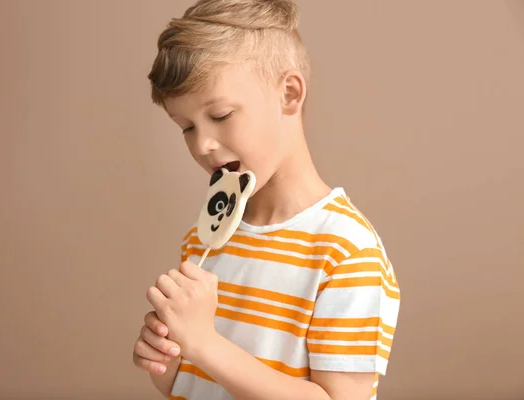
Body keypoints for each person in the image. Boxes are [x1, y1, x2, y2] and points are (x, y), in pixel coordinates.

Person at [133, 1, 401, 399]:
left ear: (289, 94)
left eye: (221, 115)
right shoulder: (203, 240)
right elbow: (195, 383)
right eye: (186, 127)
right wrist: (168, 360)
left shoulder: (345, 252)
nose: (203, 144)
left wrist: (205, 344)